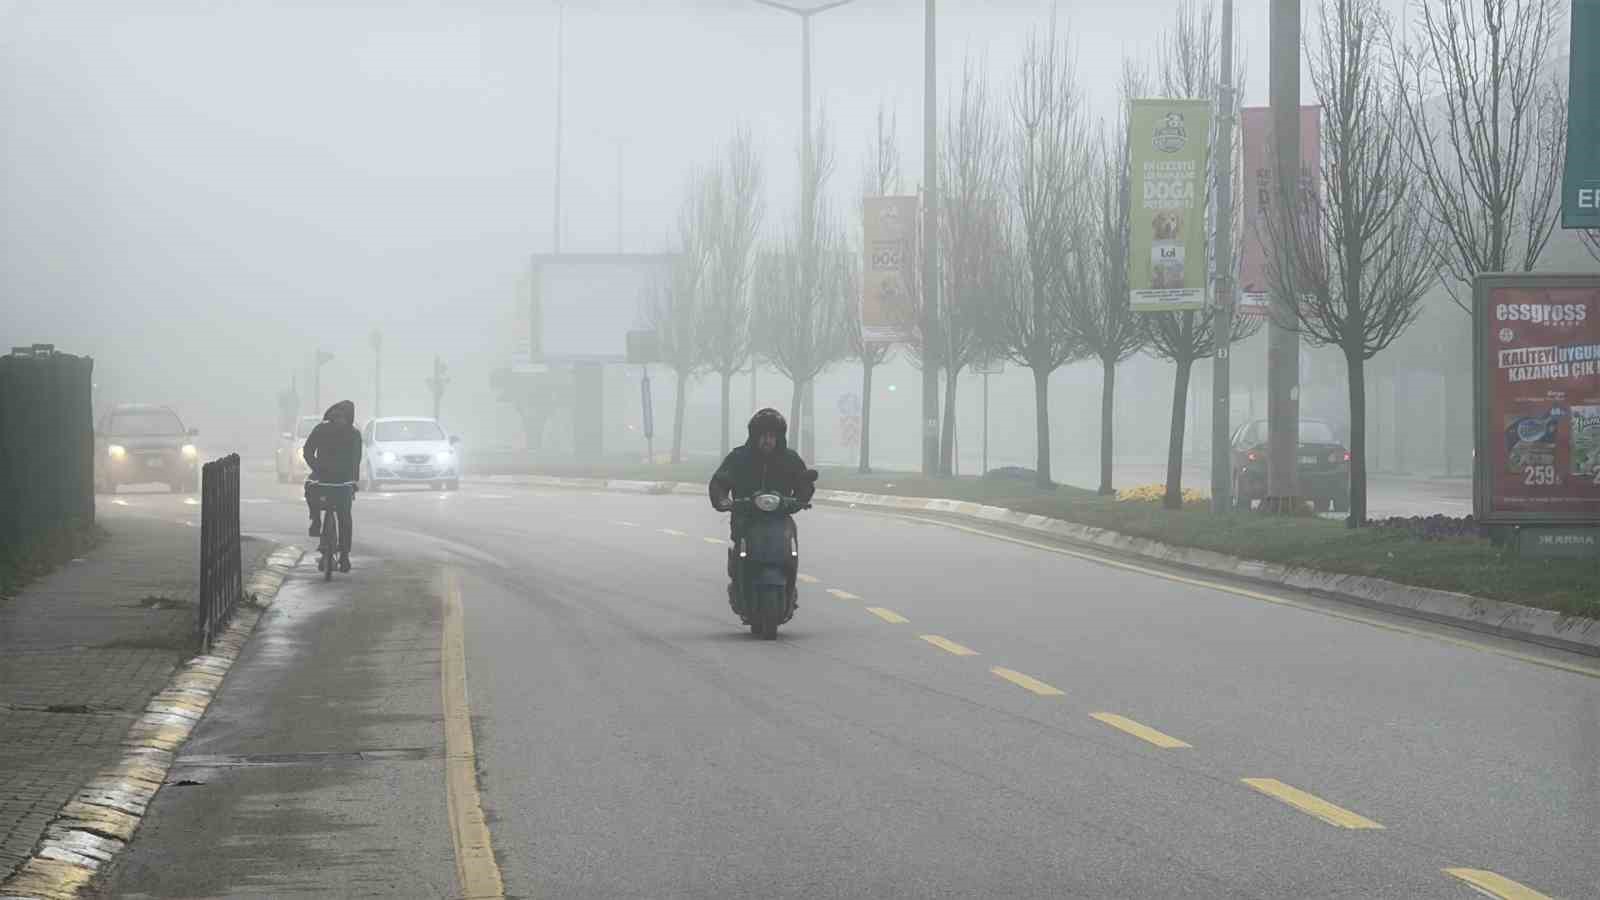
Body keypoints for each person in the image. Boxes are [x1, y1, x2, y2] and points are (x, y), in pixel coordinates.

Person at [708, 408, 816, 607]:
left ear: (779, 437)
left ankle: (790, 583)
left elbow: (803, 482)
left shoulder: (790, 459)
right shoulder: (739, 457)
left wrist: (800, 498)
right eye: (763, 436)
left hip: (780, 517)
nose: (768, 440)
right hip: (746, 517)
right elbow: (720, 481)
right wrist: (722, 500)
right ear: (754, 436)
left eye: (772, 436)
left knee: (791, 545)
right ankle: (739, 580)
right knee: (741, 545)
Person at [303, 400, 362, 572]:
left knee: (310, 490)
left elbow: (307, 451)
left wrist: (316, 467)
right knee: (345, 519)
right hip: (342, 482)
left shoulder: (321, 429)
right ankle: (344, 556)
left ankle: (316, 520)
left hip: (322, 479)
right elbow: (356, 460)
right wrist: (354, 481)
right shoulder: (354, 434)